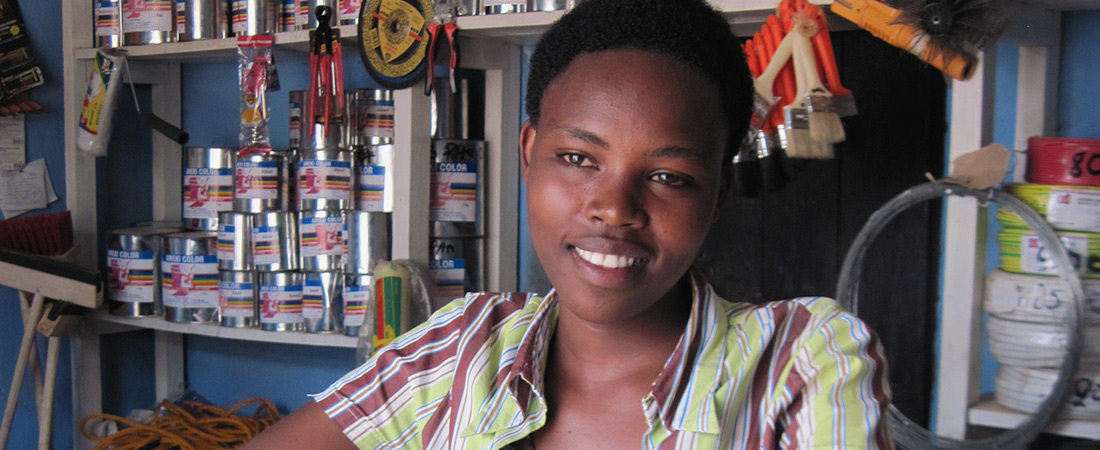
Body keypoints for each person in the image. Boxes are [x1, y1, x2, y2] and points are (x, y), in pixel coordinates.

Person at [242, 0, 892, 448]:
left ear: (718, 194)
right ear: (529, 153)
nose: (614, 208)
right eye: (579, 158)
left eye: (669, 176)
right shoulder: (463, 346)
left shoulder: (800, 361)